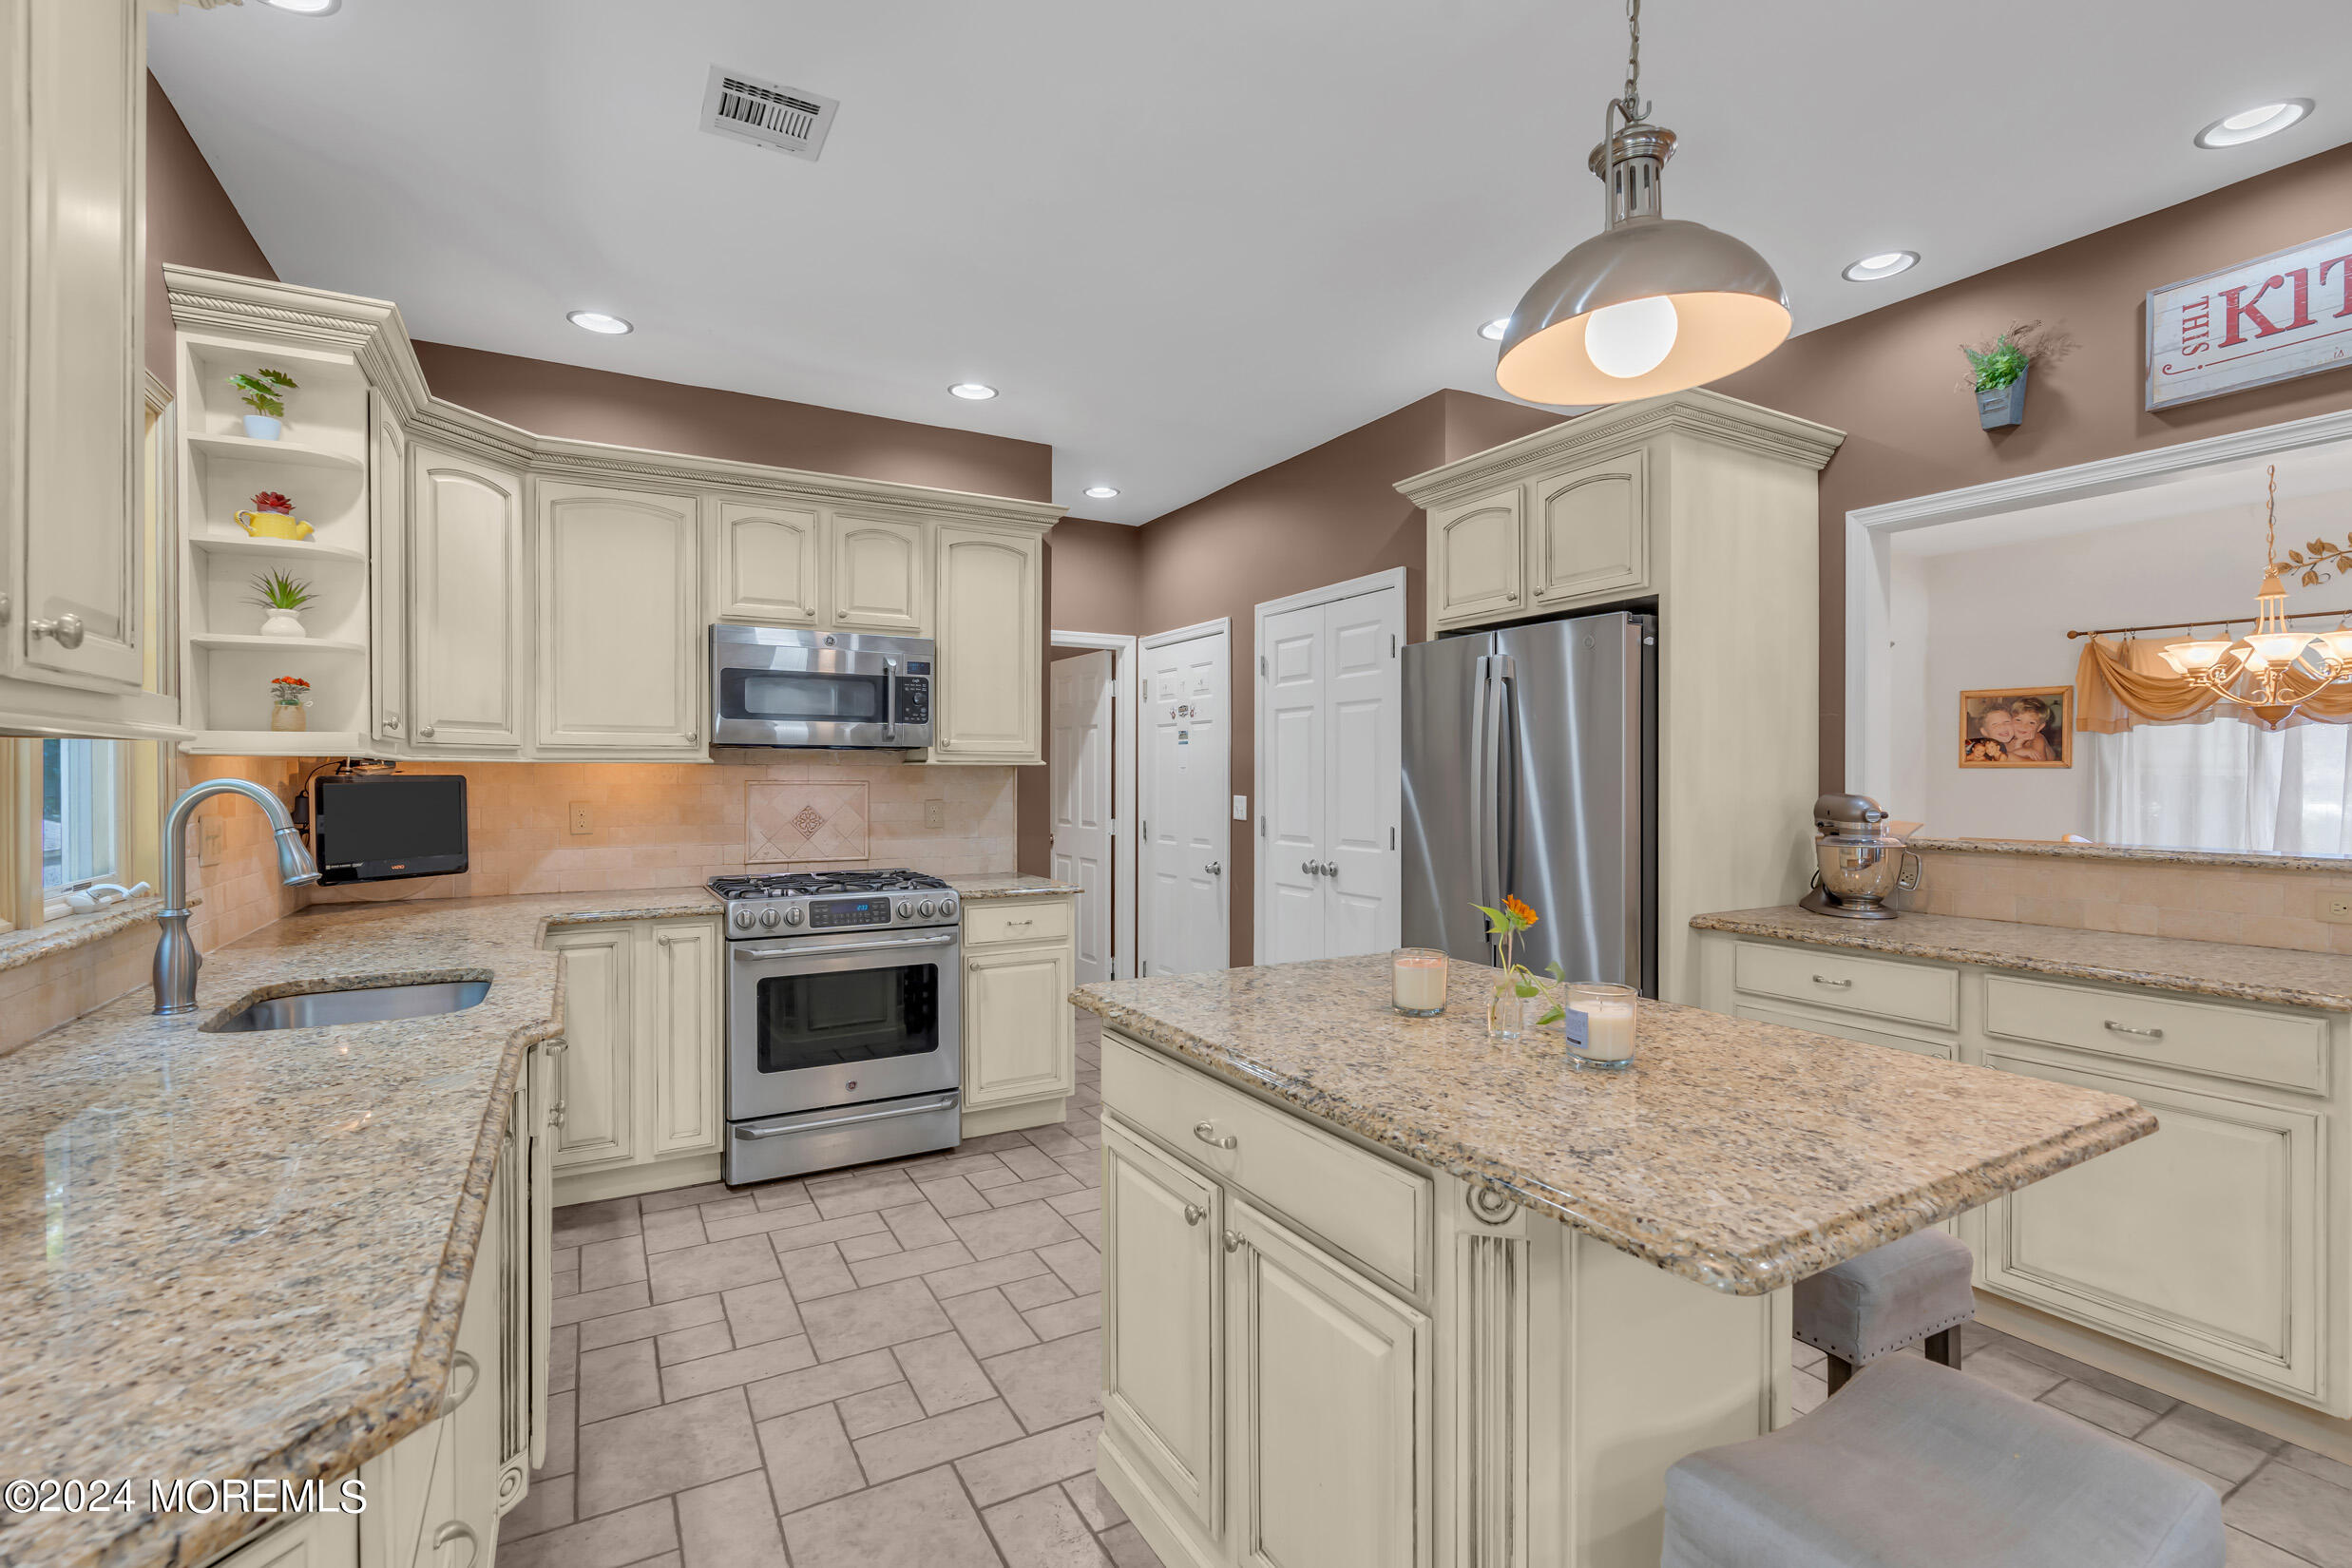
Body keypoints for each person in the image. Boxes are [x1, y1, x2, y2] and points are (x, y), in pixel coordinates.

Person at [2004, 697, 2058, 762]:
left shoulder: (2038, 738)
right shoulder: (2007, 738)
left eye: (2031, 723)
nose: (2023, 726)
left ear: (2040, 727)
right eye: (2018, 720)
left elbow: (2040, 764)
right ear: (2010, 720)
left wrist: (2009, 756)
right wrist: (2019, 746)